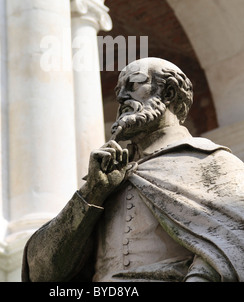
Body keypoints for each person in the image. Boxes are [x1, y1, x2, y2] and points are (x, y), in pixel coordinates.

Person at [22, 57, 244, 282]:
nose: (120, 97)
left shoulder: (213, 163)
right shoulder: (108, 177)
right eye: (119, 89)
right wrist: (92, 194)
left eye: (133, 85)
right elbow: (41, 274)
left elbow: (237, 241)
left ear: (168, 93)